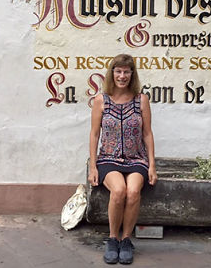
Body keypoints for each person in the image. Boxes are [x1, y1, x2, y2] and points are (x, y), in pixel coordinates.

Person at [89, 54, 157, 265]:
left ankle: (126, 239)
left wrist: (152, 164)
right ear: (112, 74)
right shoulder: (101, 100)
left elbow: (147, 133)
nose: (122, 76)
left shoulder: (141, 100)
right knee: (118, 191)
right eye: (118, 71)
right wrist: (93, 165)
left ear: (132, 74)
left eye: (126, 71)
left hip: (136, 158)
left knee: (133, 191)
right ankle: (112, 239)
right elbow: (94, 134)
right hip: (108, 158)